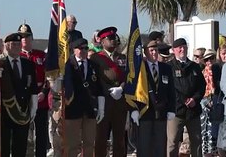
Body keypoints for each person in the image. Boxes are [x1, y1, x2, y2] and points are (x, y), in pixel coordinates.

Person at [130, 39, 176, 157]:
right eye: (151, 50)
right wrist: (133, 109)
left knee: (160, 146)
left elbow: (171, 90)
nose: (154, 53)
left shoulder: (166, 68)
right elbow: (135, 90)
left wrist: (171, 109)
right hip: (145, 112)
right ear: (145, 52)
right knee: (144, 147)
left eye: (155, 50)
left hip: (161, 112)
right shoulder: (140, 68)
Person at [63, 38, 105, 157]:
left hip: (90, 109)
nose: (83, 51)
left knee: (89, 143)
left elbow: (99, 88)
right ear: (74, 50)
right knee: (72, 144)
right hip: (73, 109)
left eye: (86, 48)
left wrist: (101, 108)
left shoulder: (94, 65)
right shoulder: (68, 65)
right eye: (80, 48)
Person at [0, 33, 38, 157]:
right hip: (5, 110)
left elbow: (32, 87)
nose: (16, 47)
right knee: (4, 145)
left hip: (22, 110)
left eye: (18, 44)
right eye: (13, 45)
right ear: (6, 46)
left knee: (20, 145)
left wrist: (33, 107)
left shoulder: (28, 64)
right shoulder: (0, 64)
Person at [167, 38, 206, 157]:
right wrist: (183, 100)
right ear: (174, 50)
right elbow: (170, 87)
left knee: (197, 141)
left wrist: (195, 99)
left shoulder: (194, 66)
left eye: (184, 47)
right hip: (176, 110)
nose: (181, 49)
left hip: (193, 111)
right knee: (172, 143)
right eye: (179, 47)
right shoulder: (169, 67)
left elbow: (202, 86)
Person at [91, 26, 127, 157]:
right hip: (104, 102)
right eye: (110, 38)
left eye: (114, 38)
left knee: (119, 138)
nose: (113, 40)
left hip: (120, 102)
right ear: (102, 41)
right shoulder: (96, 58)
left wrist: (121, 88)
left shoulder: (122, 57)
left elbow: (129, 76)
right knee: (100, 138)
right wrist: (107, 90)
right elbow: (95, 79)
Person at [17, 23, 50, 157]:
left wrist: (44, 92)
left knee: (41, 134)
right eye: (21, 37)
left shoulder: (40, 55)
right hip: (23, 102)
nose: (24, 39)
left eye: (27, 36)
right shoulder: (17, 56)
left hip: (41, 100)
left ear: (32, 38)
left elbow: (49, 76)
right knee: (23, 134)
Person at [199, 49, 221, 157]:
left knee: (216, 132)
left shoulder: (219, 70)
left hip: (217, 103)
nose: (209, 61)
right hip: (205, 104)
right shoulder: (202, 73)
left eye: (211, 58)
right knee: (205, 132)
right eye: (207, 59)